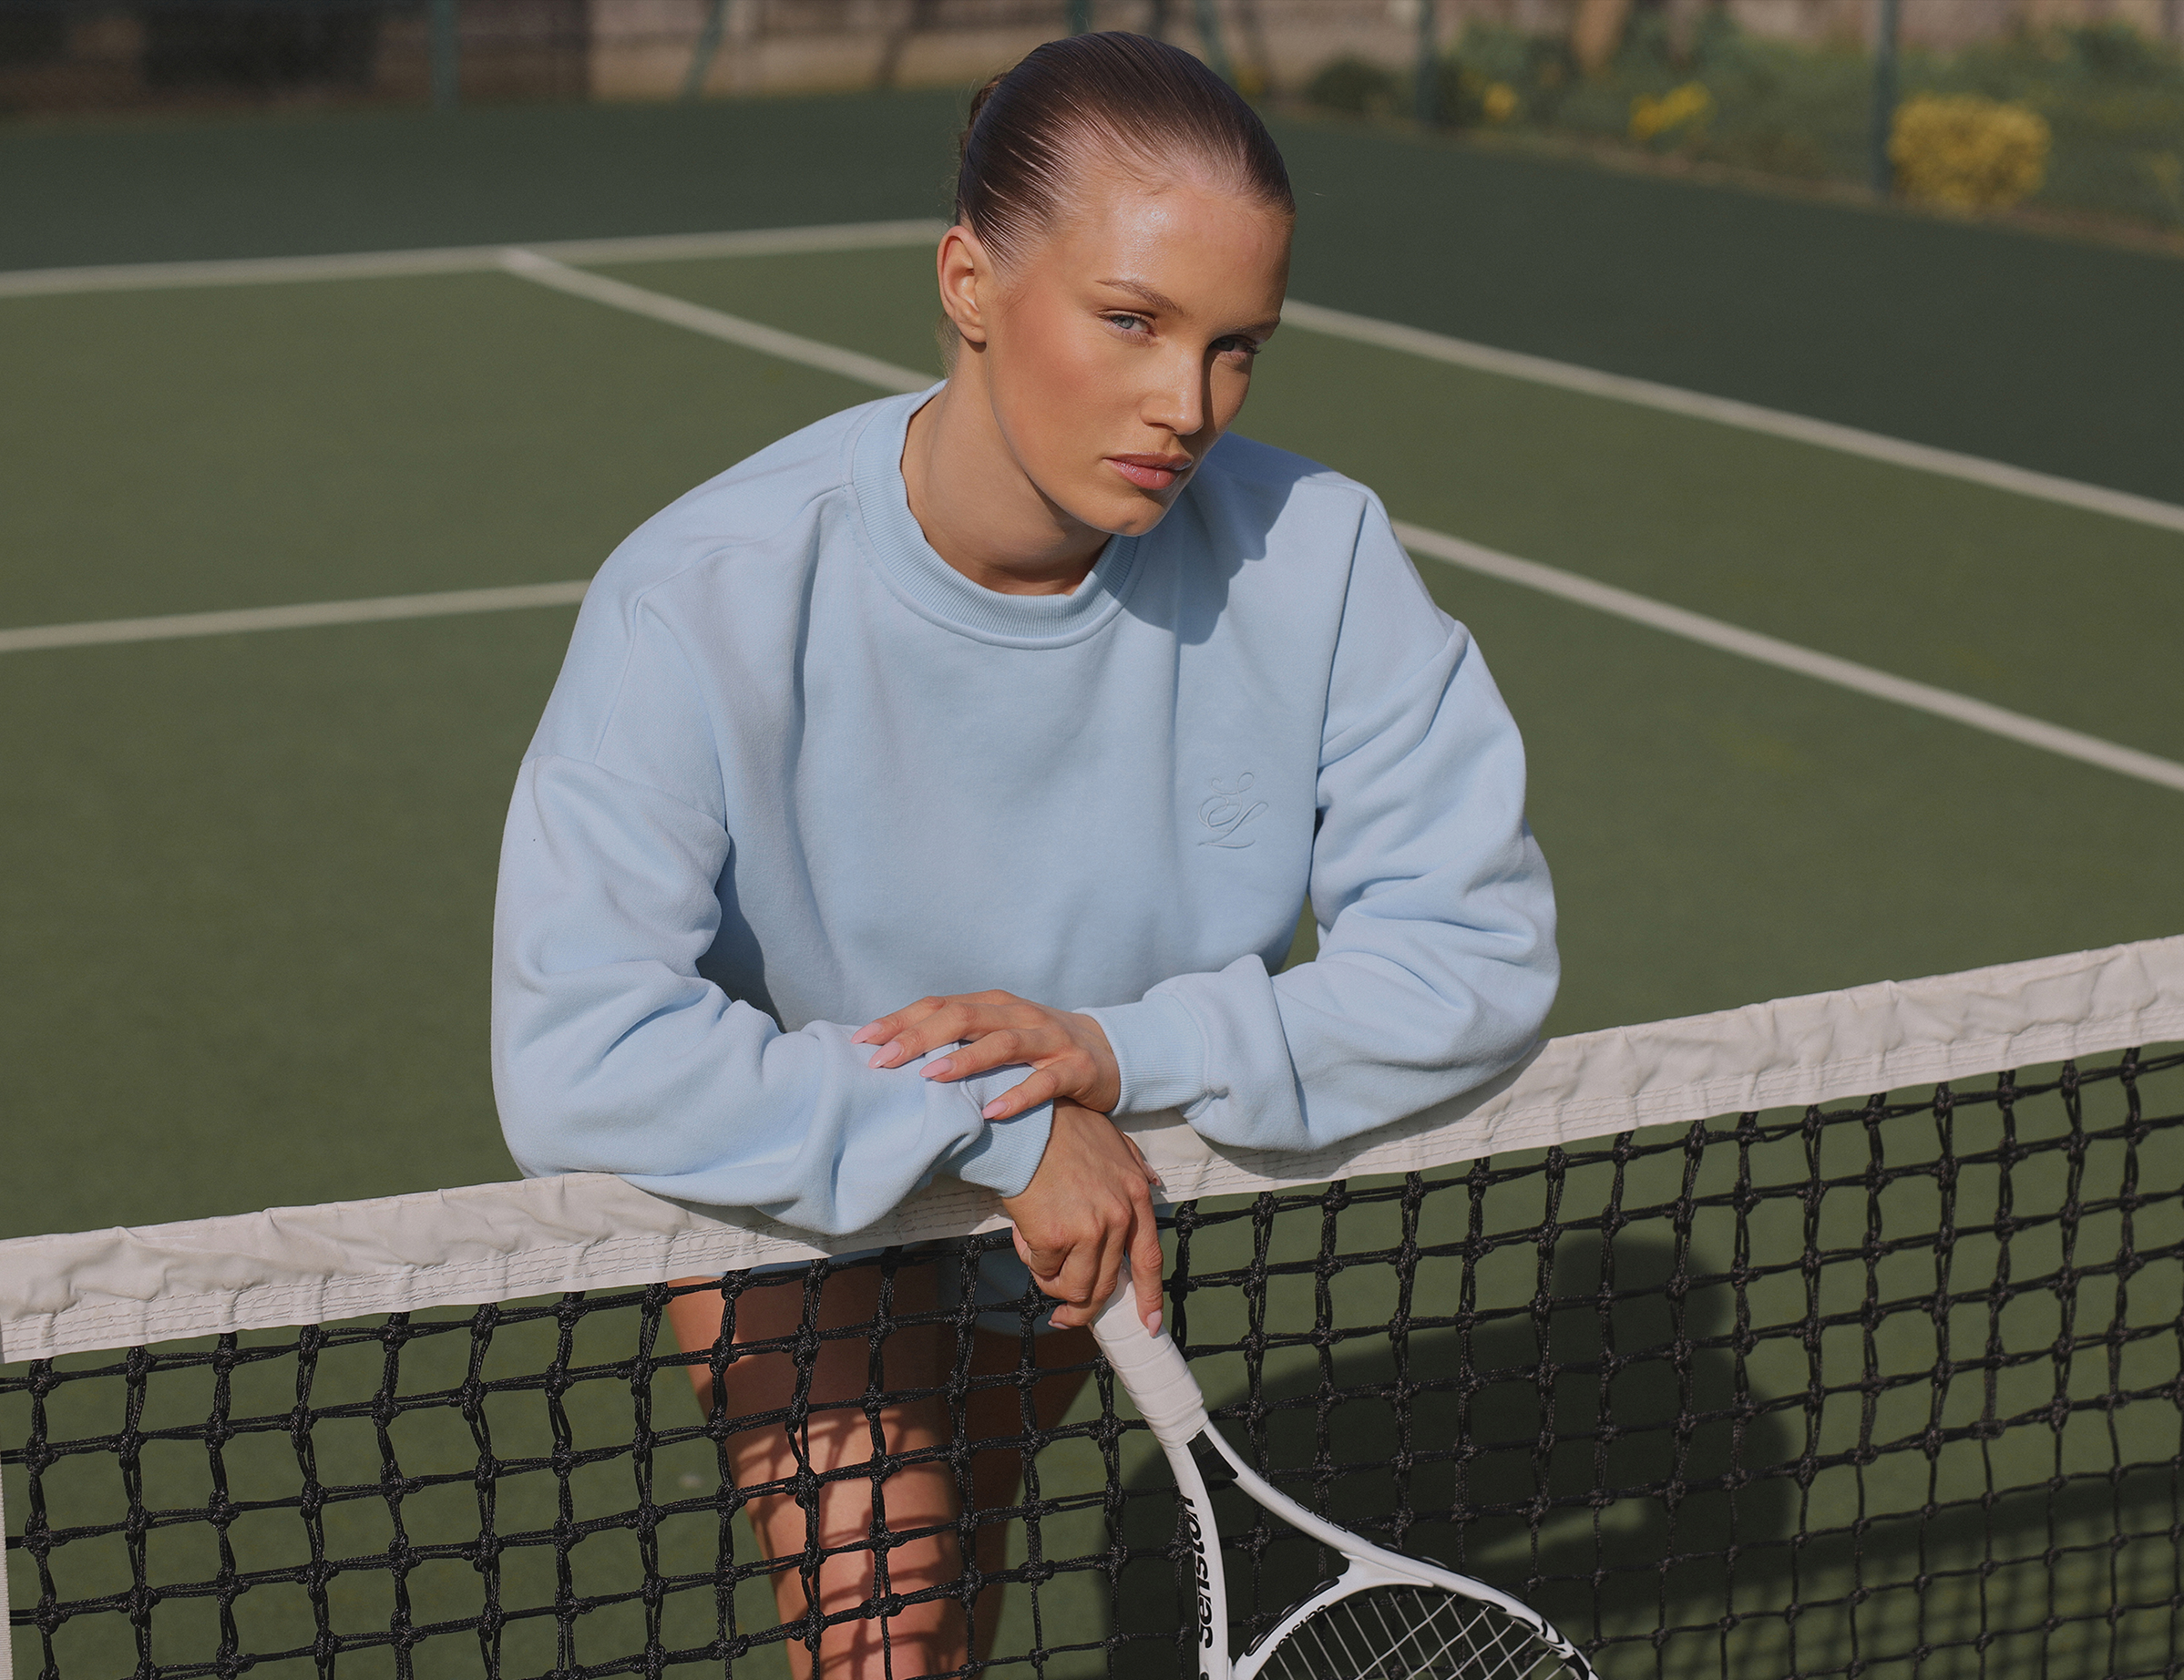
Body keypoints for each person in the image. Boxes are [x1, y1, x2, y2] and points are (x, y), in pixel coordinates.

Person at [489, 30, 1557, 1676]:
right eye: (1131, 321)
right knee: (892, 1645)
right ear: (971, 281)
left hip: (1090, 1188)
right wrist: (985, 1131)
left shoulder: (1321, 557)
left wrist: (1125, 1058)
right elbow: (579, 1047)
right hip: (798, 1207)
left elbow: (1478, 956)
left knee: (950, 1605)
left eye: (1235, 348)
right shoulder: (696, 594)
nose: (1183, 404)